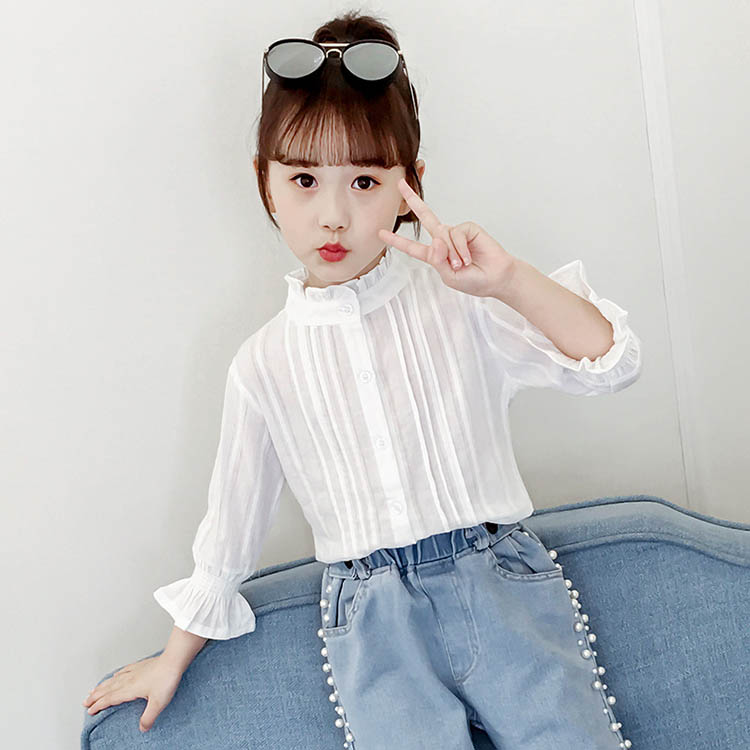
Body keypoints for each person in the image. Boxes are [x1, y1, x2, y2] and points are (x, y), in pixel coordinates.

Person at [83, 10, 640, 748]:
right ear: (266, 185)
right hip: (373, 622)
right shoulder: (264, 363)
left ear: (411, 187)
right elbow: (230, 530)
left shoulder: (463, 305)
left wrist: (507, 280)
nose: (334, 215)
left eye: (367, 180)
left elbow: (609, 362)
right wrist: (173, 656)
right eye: (304, 179)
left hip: (499, 582)